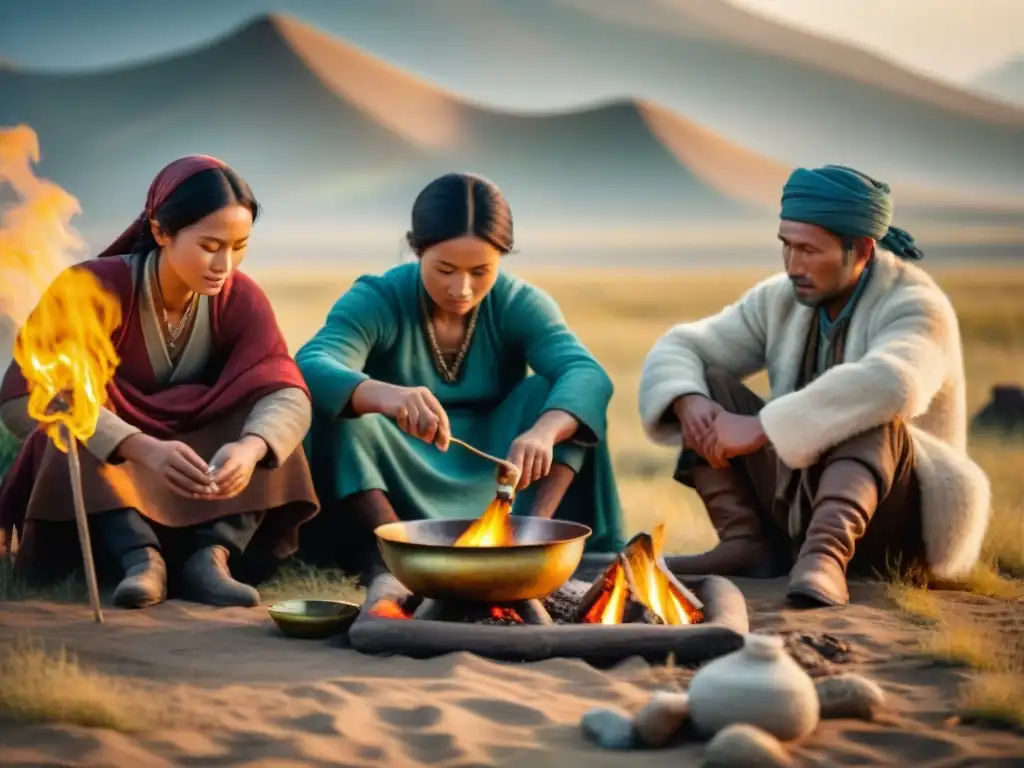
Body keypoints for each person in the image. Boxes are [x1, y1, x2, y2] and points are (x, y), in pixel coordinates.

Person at [637, 164, 991, 607]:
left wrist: (760, 427)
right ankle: (746, 544)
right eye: (786, 246)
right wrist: (689, 401)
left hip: (899, 527)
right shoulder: (779, 298)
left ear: (861, 249)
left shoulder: (916, 305)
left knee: (872, 413)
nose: (792, 265)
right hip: (799, 500)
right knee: (703, 380)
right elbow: (684, 345)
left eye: (808, 250)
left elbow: (896, 382)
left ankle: (826, 556)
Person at [0, 156, 319, 608]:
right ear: (161, 231)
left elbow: (284, 388)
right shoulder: (92, 287)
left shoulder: (240, 296)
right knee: (72, 429)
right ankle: (140, 559)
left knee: (270, 428)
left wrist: (249, 450)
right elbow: (32, 398)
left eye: (239, 246)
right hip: (115, 471)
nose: (225, 263)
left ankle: (213, 556)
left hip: (193, 468)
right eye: (210, 245)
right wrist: (139, 446)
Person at [295, 172, 624, 574]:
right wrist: (387, 396)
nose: (461, 288)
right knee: (343, 413)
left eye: (480, 271)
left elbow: (586, 373)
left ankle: (531, 537)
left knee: (557, 397)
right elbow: (312, 363)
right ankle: (397, 551)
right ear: (417, 251)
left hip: (501, 461)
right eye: (445, 269)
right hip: (402, 461)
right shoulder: (380, 297)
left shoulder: (518, 302)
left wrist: (544, 433)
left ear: (502, 257)